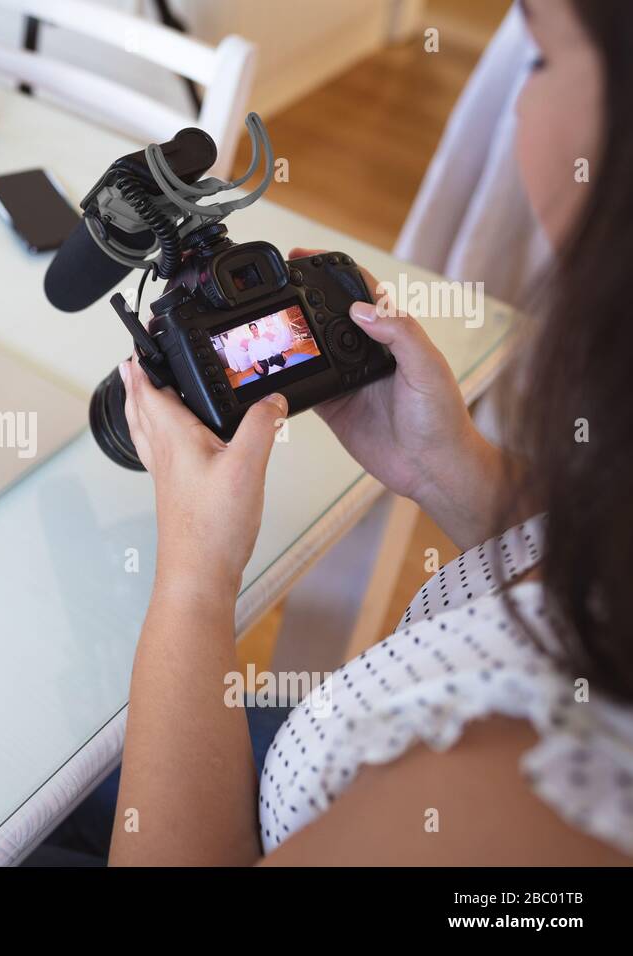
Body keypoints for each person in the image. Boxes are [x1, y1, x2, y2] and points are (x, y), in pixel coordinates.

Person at [33, 0, 633, 866]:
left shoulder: (533, 804)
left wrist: (197, 582)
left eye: (536, 59)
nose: (515, 107)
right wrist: (448, 466)